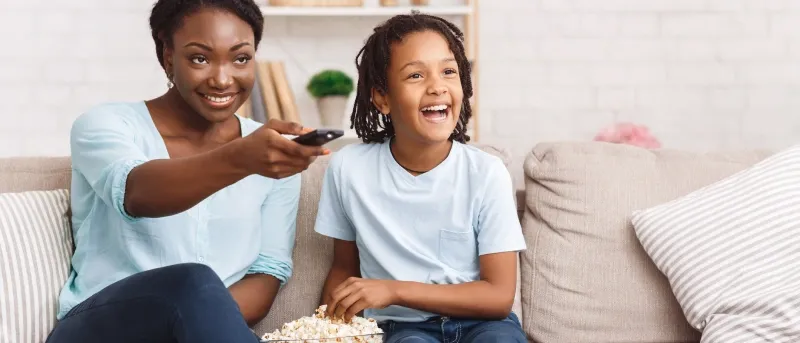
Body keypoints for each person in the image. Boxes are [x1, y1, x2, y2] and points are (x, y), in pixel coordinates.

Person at [46, 1, 329, 342]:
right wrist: (241, 159)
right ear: (167, 56)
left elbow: (266, 273)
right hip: (100, 328)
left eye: (241, 58)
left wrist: (200, 318)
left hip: (203, 333)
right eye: (200, 58)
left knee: (198, 291)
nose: (223, 79)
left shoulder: (273, 154)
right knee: (191, 282)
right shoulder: (106, 125)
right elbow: (137, 193)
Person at [314, 12, 528, 343]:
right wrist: (323, 330)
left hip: (484, 324)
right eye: (416, 75)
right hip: (401, 328)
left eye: (448, 71)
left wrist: (394, 289)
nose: (437, 86)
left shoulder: (486, 173)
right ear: (382, 98)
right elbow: (344, 268)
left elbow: (499, 297)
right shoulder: (348, 169)